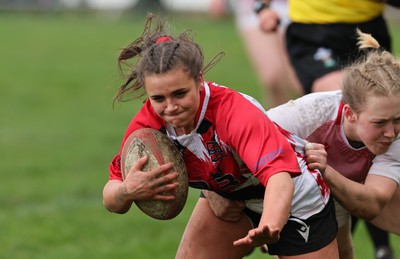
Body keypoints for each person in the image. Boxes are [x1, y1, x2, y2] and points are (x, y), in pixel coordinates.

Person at [102, 14, 339, 259]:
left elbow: (280, 177)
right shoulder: (148, 125)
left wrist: (269, 225)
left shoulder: (232, 111)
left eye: (180, 93)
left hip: (295, 198)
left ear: (200, 80)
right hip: (230, 196)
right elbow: (111, 196)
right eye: (158, 98)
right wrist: (127, 190)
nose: (170, 107)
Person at [205, 30, 400, 259]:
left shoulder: (396, 135)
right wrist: (213, 190)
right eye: (379, 123)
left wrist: (326, 172)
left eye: (397, 120)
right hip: (273, 185)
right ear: (350, 114)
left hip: (329, 193)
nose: (391, 132)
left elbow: (371, 204)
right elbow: (238, 137)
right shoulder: (308, 113)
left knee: (344, 253)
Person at [257, 1, 398, 258]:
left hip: (368, 27)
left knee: (380, 114)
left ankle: (374, 243)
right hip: (313, 30)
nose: (392, 130)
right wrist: (262, 6)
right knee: (356, 106)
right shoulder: (314, 110)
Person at [209, 0, 302, 107]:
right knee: (272, 78)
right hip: (253, 8)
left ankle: (309, 120)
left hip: (295, 7)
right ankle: (278, 122)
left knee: (298, 82)